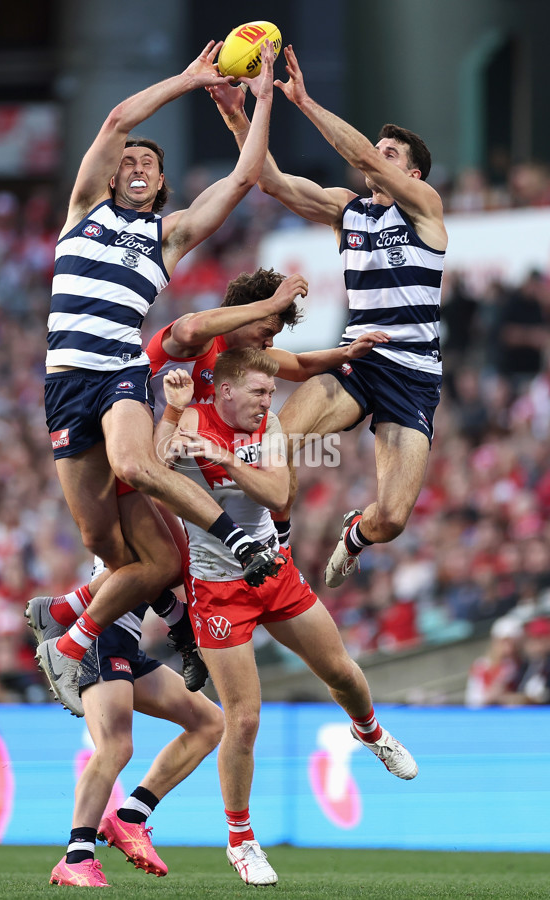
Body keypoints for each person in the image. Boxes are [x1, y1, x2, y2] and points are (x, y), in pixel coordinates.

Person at [36, 39, 289, 717]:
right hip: (66, 379)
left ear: (162, 182)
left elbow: (242, 179)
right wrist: (184, 80)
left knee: (135, 461)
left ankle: (231, 547)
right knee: (121, 554)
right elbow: (116, 120)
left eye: (151, 161)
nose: (137, 164)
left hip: (117, 370)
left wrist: (258, 104)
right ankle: (65, 620)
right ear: (113, 177)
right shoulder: (84, 213)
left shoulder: (167, 238)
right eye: (130, 162)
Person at [31, 268, 387, 703]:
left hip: (161, 469)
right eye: (268, 328)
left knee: (165, 565)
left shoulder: (245, 365)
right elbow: (193, 325)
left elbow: (303, 365)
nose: (270, 341)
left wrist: (349, 352)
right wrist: (271, 304)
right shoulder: (198, 342)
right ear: (244, 313)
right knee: (160, 566)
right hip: (134, 458)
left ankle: (67, 611)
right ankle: (73, 644)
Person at [160, 349, 418, 887]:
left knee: (342, 672)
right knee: (245, 718)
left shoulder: (271, 426)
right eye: (258, 392)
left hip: (271, 572)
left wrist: (224, 457)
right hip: (217, 590)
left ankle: (370, 733)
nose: (268, 402)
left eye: (270, 393)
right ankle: (241, 840)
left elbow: (278, 492)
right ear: (226, 392)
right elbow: (156, 463)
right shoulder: (193, 417)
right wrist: (169, 415)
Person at [209, 44, 447, 589]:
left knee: (391, 519)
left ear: (411, 172)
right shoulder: (348, 210)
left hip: (414, 378)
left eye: (390, 152)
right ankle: (277, 545)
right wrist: (235, 113)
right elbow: (271, 180)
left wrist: (306, 102)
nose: (375, 155)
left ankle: (354, 537)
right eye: (377, 148)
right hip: (358, 361)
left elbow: (361, 155)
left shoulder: (425, 209)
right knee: (276, 443)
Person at [49, 601, 223, 887]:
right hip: (100, 639)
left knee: (209, 723)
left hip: (125, 645)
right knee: (114, 747)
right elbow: (153, 580)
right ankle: (76, 858)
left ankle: (130, 816)